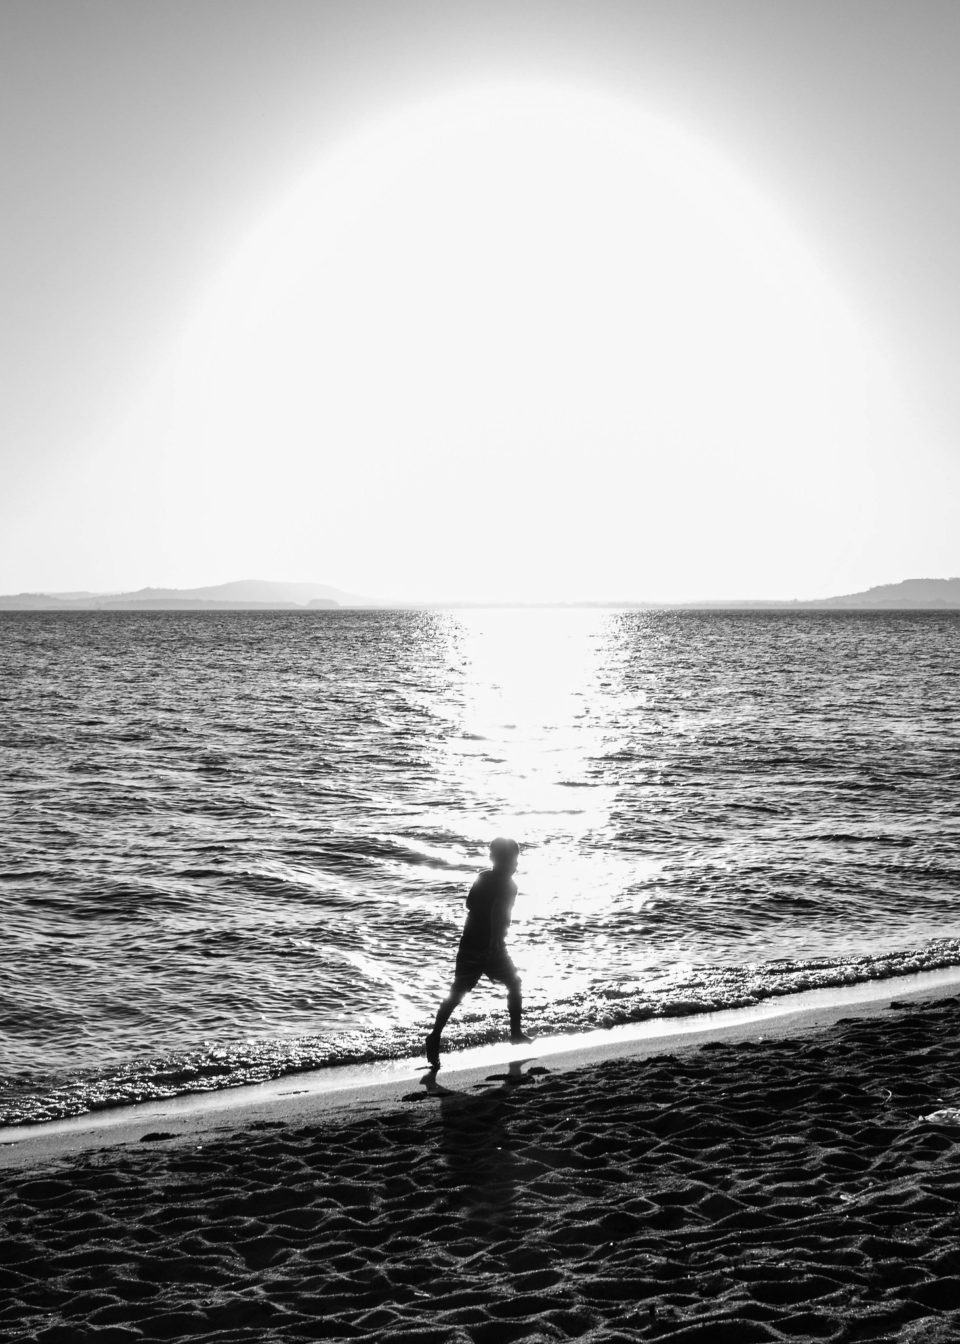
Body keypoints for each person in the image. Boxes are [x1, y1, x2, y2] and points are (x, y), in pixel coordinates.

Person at [425, 837, 532, 1068]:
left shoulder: (483, 877)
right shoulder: (509, 886)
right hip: (491, 947)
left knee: (458, 992)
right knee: (513, 983)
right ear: (502, 860)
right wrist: (494, 939)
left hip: (470, 943)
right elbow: (498, 913)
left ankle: (434, 1036)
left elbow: (470, 904)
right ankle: (515, 1033)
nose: (515, 865)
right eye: (513, 860)